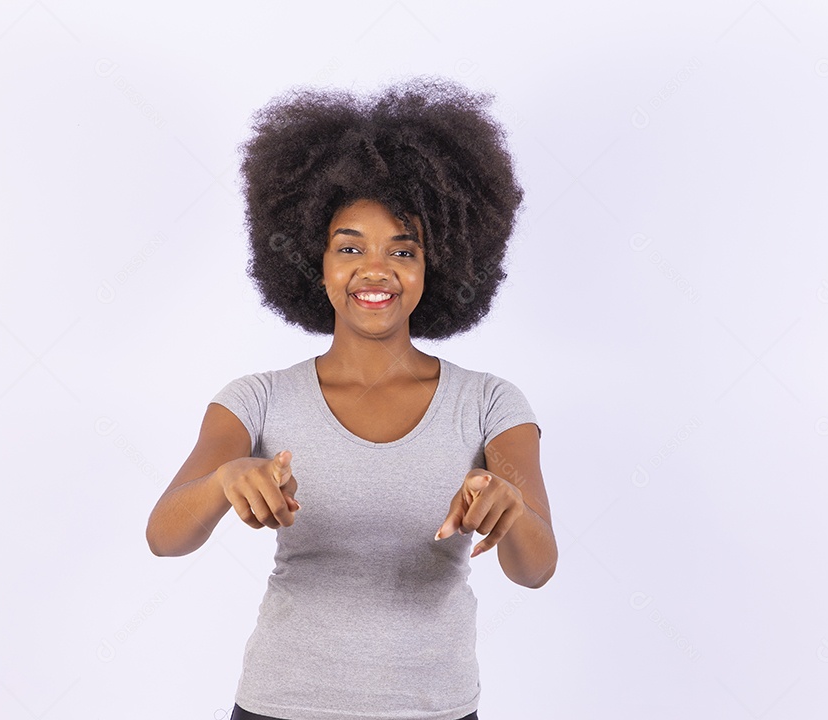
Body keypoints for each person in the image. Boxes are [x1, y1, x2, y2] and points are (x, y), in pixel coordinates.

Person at [146, 77, 557, 720]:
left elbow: (537, 568)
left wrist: (510, 510)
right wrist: (225, 480)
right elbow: (164, 536)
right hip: (281, 707)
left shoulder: (489, 404)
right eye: (349, 247)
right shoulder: (256, 399)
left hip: (436, 709)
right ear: (318, 261)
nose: (375, 269)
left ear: (436, 265)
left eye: (404, 248)